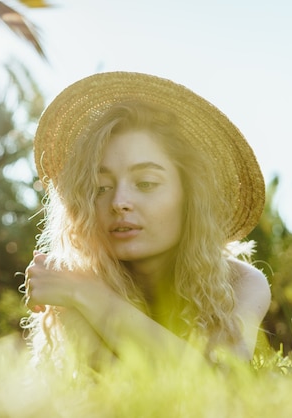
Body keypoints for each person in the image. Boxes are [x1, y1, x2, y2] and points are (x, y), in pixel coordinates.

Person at [20, 71, 271, 368]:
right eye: (101, 188)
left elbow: (221, 379)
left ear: (189, 195)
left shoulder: (240, 284)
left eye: (146, 183)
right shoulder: (74, 278)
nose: (119, 202)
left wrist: (88, 294)